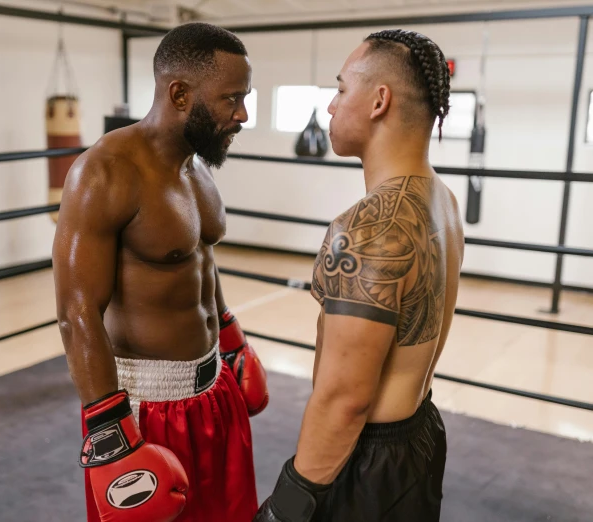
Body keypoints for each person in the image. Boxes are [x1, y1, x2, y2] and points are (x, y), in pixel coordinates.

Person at [52, 22, 268, 522]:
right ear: (179, 93)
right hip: (146, 410)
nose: (242, 115)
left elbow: (202, 264)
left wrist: (231, 341)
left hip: (215, 392)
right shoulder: (105, 172)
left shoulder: (197, 168)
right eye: (231, 99)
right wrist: (111, 437)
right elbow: (76, 312)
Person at [254, 29, 464, 522]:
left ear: (378, 101)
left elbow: (345, 399)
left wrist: (289, 502)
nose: (330, 106)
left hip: (368, 460)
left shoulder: (369, 229)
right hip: (419, 432)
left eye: (342, 89)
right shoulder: (443, 201)